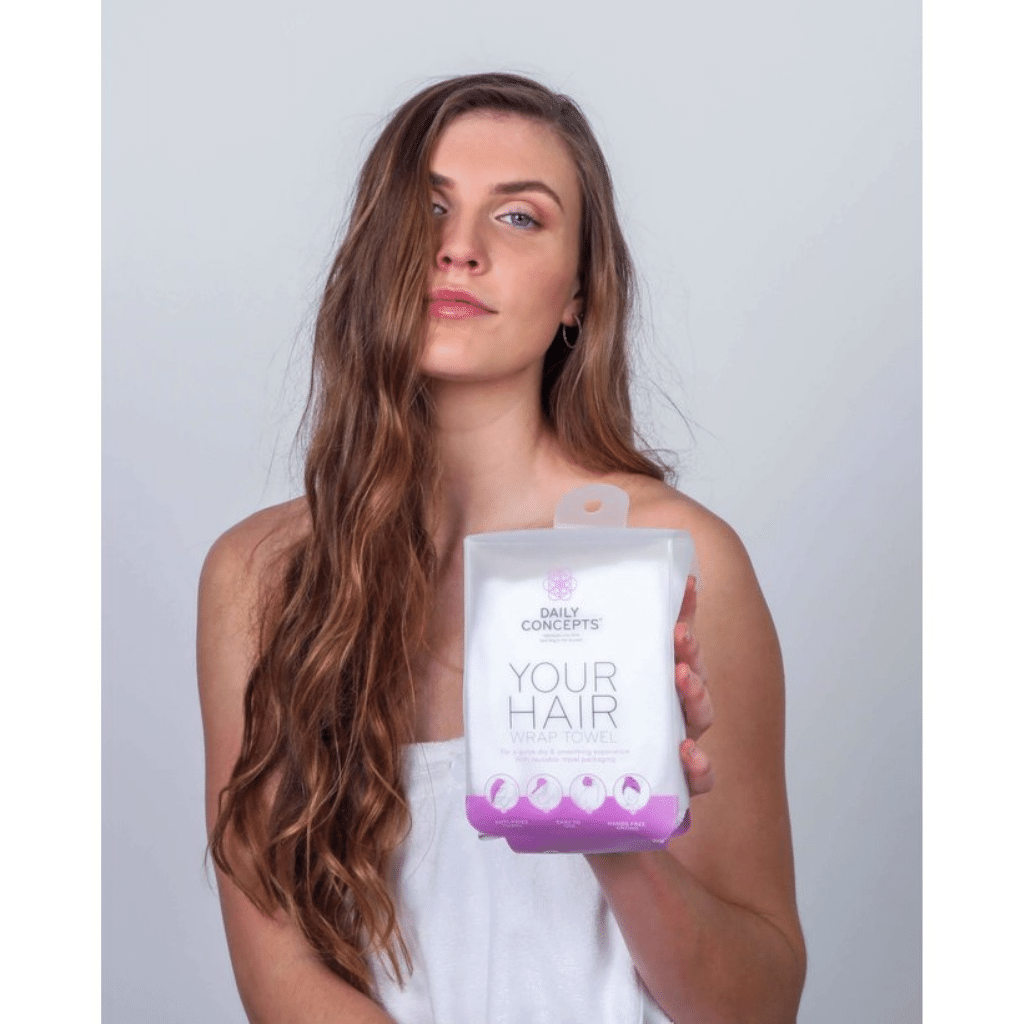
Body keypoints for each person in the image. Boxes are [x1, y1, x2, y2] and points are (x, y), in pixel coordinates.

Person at [197, 72, 806, 1024]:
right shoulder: (261, 577)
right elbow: (280, 977)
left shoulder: (678, 560)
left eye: (519, 217)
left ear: (579, 295)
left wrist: (612, 834)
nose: (460, 248)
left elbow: (760, 1005)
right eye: (429, 207)